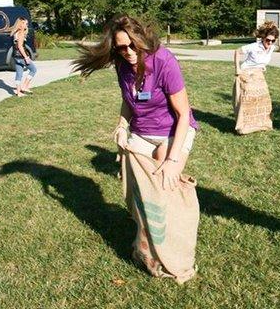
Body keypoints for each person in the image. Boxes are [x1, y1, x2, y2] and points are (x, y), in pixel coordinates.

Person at [73, 14, 199, 283]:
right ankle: (146, 249)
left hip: (171, 132)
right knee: (141, 196)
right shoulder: (122, 64)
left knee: (163, 189)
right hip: (142, 132)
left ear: (143, 41)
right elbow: (128, 101)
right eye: (121, 47)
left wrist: (173, 160)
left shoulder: (164, 61)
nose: (128, 52)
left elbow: (183, 115)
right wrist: (122, 125)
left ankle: (173, 255)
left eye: (133, 46)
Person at [232, 21, 278, 134]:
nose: (270, 42)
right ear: (263, 38)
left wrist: (262, 66)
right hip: (246, 74)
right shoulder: (254, 46)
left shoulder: (271, 48)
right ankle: (243, 127)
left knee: (263, 100)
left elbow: (262, 60)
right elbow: (237, 51)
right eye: (268, 40)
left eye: (273, 40)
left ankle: (261, 125)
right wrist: (237, 69)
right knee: (246, 101)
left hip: (258, 74)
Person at [10, 17, 37, 97]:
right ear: (21, 24)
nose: (27, 25)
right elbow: (20, 46)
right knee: (33, 69)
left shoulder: (15, 32)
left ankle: (18, 92)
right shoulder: (21, 33)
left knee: (19, 73)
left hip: (15, 56)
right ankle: (25, 86)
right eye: (26, 23)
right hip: (21, 57)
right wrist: (26, 57)